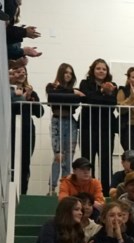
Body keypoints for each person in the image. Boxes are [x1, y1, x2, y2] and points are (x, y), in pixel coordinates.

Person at [45, 63, 83, 195]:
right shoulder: (51, 86)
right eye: (66, 72)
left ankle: (64, 189)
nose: (68, 75)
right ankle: (52, 188)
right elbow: (52, 97)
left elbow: (76, 102)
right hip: (57, 121)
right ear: (61, 73)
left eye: (70, 73)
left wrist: (70, 94)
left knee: (68, 158)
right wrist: (72, 93)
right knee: (58, 156)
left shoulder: (74, 89)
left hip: (70, 122)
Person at [78, 59, 117, 182]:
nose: (101, 71)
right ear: (93, 70)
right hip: (87, 126)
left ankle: (105, 191)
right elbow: (86, 99)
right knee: (87, 160)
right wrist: (102, 92)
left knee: (106, 160)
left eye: (104, 69)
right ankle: (88, 189)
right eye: (98, 68)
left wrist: (98, 97)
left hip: (106, 128)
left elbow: (113, 102)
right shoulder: (85, 83)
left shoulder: (112, 84)